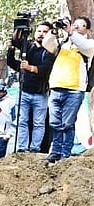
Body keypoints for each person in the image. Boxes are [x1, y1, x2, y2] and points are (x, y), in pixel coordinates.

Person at [42, 17, 94, 162]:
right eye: (75, 24)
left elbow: (85, 45)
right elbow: (47, 45)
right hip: (56, 88)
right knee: (54, 123)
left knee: (68, 123)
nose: (76, 27)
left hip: (74, 90)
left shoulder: (88, 45)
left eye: (81, 26)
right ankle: (55, 151)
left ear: (87, 30)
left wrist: (70, 31)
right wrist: (54, 30)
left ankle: (65, 152)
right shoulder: (62, 44)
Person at [7, 21, 57, 153]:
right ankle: (22, 148)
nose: (41, 34)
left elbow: (45, 69)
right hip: (24, 91)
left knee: (38, 123)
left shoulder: (50, 50)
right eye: (39, 31)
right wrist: (11, 48)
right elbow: (13, 57)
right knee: (22, 121)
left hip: (40, 93)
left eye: (45, 32)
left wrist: (30, 68)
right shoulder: (28, 47)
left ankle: (35, 148)